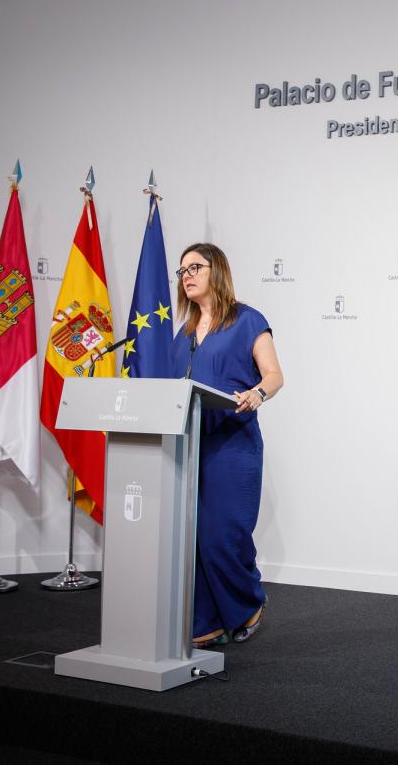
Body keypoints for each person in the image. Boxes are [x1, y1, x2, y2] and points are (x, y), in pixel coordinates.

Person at [170, 242, 283, 647]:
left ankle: (248, 603)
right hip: (191, 444)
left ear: (216, 270)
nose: (186, 276)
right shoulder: (183, 334)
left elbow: (274, 375)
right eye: (182, 270)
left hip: (233, 444)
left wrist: (257, 393)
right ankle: (208, 621)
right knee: (194, 536)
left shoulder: (247, 320)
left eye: (195, 267)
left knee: (223, 534)